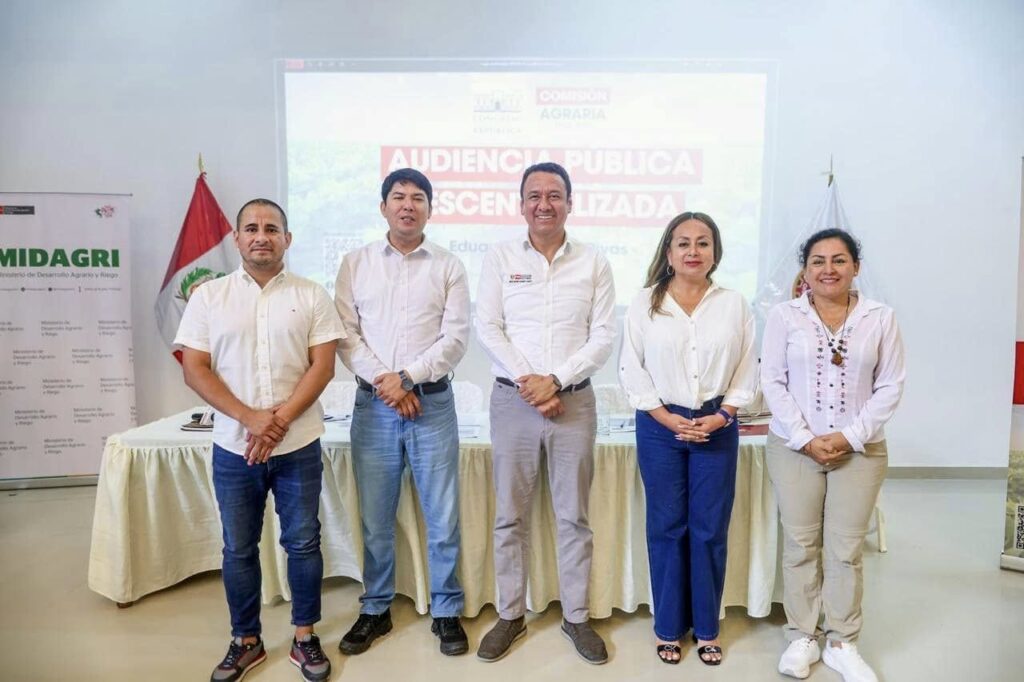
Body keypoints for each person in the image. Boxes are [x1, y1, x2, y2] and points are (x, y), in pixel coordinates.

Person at [175, 198, 345, 682]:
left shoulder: (312, 295)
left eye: (272, 228)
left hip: (298, 447)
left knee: (303, 543)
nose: (261, 236)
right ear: (236, 238)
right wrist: (250, 418)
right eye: (251, 228)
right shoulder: (209, 297)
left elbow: (324, 365)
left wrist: (278, 421)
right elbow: (195, 369)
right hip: (234, 447)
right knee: (238, 549)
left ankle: (305, 637)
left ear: (287, 239)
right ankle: (245, 640)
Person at [474, 162, 616, 664]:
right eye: (534, 195)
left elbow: (603, 335)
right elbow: (489, 326)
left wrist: (555, 380)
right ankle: (511, 614)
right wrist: (531, 384)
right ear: (521, 204)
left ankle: (576, 617)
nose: (544, 204)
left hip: (573, 401)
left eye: (554, 195)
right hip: (513, 401)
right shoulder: (499, 257)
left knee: (573, 515)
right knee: (509, 515)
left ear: (570, 203)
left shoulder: (594, 261)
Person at [333, 168, 471, 656]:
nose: (408, 205)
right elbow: (346, 334)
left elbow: (455, 338)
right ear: (383, 207)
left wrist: (407, 377)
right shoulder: (356, 263)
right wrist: (389, 385)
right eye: (398, 197)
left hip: (431, 404)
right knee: (375, 517)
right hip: (373, 407)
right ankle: (375, 609)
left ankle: (447, 610)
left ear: (430, 209)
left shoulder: (450, 266)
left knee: (443, 515)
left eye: (418, 198)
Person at [760, 228, 905, 682]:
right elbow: (773, 381)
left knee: (844, 550)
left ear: (856, 267)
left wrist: (848, 437)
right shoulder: (784, 316)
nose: (828, 269)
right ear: (805, 270)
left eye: (839, 260)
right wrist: (805, 438)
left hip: (860, 451)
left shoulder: (881, 318)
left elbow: (890, 385)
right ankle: (803, 635)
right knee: (801, 544)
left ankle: (842, 641)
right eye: (817, 261)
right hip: (792, 447)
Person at [618, 211, 757, 666]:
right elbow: (631, 367)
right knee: (666, 528)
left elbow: (746, 366)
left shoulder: (734, 303)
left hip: (717, 427)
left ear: (715, 251)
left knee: (709, 530)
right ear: (668, 251)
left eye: (703, 243)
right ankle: (667, 627)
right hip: (661, 429)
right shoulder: (645, 302)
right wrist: (665, 417)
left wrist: (723, 415)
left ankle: (708, 628)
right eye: (683, 243)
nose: (693, 251)